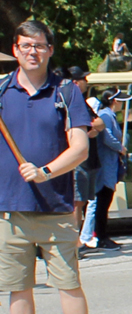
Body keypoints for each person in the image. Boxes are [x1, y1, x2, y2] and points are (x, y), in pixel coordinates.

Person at [0, 20, 104, 314]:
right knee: (18, 287)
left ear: (50, 50)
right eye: (26, 45)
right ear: (15, 49)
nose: (33, 51)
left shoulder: (65, 92)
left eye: (40, 45)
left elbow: (79, 147)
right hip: (8, 208)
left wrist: (45, 171)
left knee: (69, 284)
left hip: (55, 205)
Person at [67, 67, 105, 246]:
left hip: (88, 161)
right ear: (75, 82)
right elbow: (92, 127)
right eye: (83, 79)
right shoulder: (71, 101)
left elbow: (100, 123)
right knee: (77, 203)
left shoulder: (82, 102)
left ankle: (76, 242)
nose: (86, 82)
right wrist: (91, 129)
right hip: (77, 162)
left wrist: (93, 128)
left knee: (82, 202)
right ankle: (73, 243)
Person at [93, 88, 130, 251]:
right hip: (105, 166)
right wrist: (120, 147)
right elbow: (107, 137)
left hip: (110, 165)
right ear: (114, 101)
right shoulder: (105, 116)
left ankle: (101, 235)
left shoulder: (110, 116)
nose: (123, 105)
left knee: (104, 202)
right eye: (121, 101)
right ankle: (100, 236)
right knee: (101, 201)